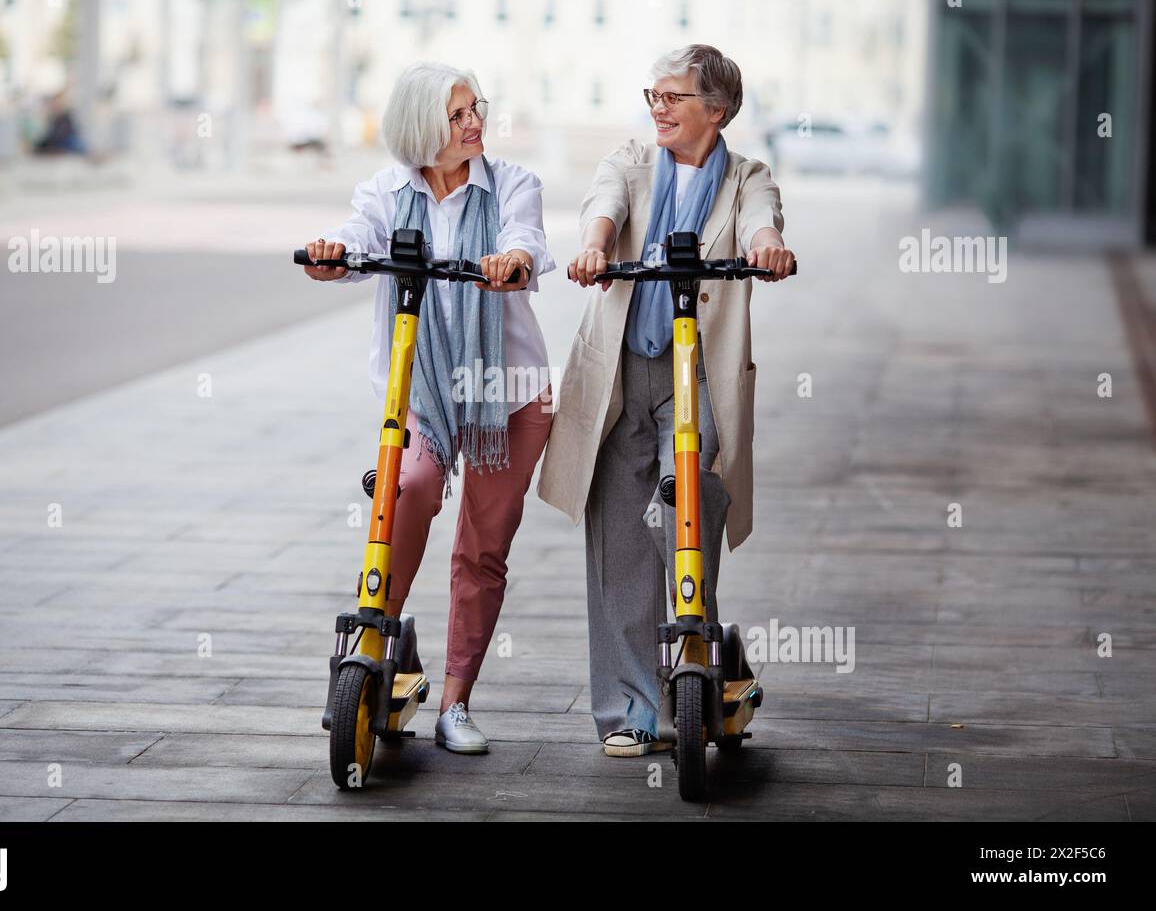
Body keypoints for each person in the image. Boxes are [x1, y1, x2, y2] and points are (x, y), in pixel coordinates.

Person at [537, 45, 795, 757]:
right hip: (624, 371)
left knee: (686, 510)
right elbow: (603, 206)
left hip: (698, 378)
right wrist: (593, 247)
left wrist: (769, 245)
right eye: (652, 93)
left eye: (673, 96)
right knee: (619, 538)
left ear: (716, 110)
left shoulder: (746, 177)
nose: (658, 106)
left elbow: (760, 221)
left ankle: (691, 664)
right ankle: (628, 709)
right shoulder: (629, 160)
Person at [302, 62, 554, 754]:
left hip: (511, 390)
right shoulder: (386, 191)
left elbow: (528, 242)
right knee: (407, 486)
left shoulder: (513, 185)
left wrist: (510, 261)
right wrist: (332, 255)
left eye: (478, 107)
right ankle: (370, 644)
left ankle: (456, 703)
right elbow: (357, 244)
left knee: (481, 549)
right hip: (421, 387)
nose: (476, 122)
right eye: (458, 114)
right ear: (422, 126)